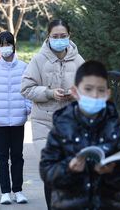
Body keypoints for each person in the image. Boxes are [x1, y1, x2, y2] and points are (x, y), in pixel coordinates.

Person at [39, 61, 120, 209]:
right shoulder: (60, 130)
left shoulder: (117, 132)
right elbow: (47, 172)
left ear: (108, 94)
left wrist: (113, 171)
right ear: (75, 92)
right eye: (88, 89)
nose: (94, 95)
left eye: (100, 90)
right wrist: (68, 168)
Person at [21, 19, 84, 210]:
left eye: (63, 36)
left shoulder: (79, 60)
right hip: (44, 124)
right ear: (48, 37)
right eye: (55, 37)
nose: (59, 40)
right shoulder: (38, 60)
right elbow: (26, 89)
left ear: (69, 36)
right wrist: (49, 93)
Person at [0, 31, 31, 204]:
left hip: (18, 118)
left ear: (13, 45)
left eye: (7, 44)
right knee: (2, 157)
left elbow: (28, 89)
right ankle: (5, 191)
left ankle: (18, 190)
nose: (5, 48)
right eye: (1, 45)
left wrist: (27, 108)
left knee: (17, 156)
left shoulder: (24, 67)